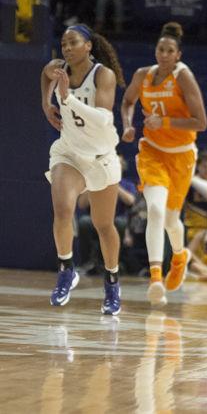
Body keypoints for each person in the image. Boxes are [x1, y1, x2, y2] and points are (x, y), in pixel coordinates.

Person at [121, 21, 207, 306]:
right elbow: (127, 102)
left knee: (171, 219)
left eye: (170, 50)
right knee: (155, 210)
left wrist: (166, 121)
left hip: (182, 154)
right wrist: (127, 125)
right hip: (152, 151)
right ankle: (156, 277)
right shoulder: (142, 75)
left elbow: (201, 122)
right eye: (161, 49)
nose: (164, 54)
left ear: (178, 55)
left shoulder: (184, 77)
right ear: (155, 50)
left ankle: (180, 257)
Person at [40, 24, 125, 315]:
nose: (66, 48)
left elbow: (103, 119)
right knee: (63, 210)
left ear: (88, 46)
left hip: (101, 157)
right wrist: (45, 102)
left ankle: (112, 282)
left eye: (73, 42)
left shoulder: (103, 75)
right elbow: (45, 74)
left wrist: (67, 98)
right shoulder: (57, 67)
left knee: (104, 225)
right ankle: (66, 269)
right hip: (70, 153)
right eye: (63, 43)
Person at [77, 154, 136, 274]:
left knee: (120, 223)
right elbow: (81, 204)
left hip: (117, 221)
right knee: (84, 222)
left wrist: (114, 185)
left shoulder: (127, 184)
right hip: (96, 220)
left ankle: (114, 263)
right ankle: (87, 262)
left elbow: (131, 201)